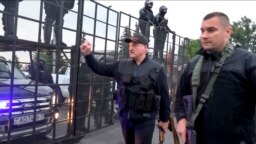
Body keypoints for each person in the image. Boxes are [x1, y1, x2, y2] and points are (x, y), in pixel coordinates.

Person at [174, 12, 256, 144]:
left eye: (211, 30)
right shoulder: (193, 64)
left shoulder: (248, 61)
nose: (204, 36)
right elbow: (180, 97)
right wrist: (181, 119)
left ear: (228, 31)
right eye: (202, 31)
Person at [80, 32, 170, 144]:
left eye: (135, 45)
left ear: (145, 48)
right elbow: (100, 68)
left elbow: (165, 97)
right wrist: (88, 55)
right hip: (126, 119)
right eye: (130, 45)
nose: (131, 48)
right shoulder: (121, 65)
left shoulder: (157, 69)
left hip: (145, 121)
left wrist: (164, 119)